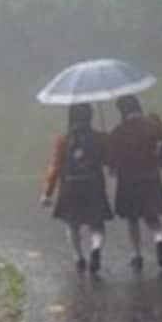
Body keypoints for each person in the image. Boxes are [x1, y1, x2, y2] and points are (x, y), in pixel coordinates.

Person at [41, 102, 113, 274]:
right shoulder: (99, 137)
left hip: (70, 186)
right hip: (94, 185)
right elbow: (107, 160)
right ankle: (96, 248)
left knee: (72, 225)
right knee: (97, 226)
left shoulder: (63, 140)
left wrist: (47, 192)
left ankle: (79, 258)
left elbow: (55, 166)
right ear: (90, 117)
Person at [105, 94, 162, 271]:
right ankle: (159, 239)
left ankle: (137, 255)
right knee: (152, 215)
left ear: (121, 110)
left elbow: (111, 158)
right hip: (150, 176)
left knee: (132, 218)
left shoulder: (118, 130)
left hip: (128, 179)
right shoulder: (151, 125)